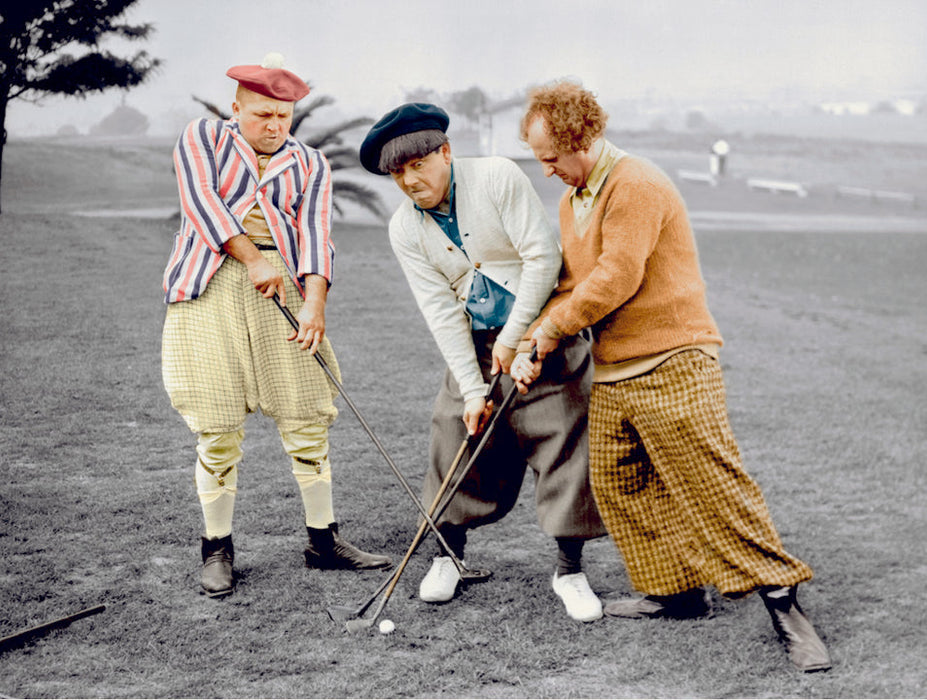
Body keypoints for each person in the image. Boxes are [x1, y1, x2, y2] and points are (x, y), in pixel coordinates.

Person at [515, 80, 831, 671]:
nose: (546, 169)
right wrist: (529, 336)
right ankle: (678, 594)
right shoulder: (572, 199)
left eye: (550, 157)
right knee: (621, 482)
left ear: (581, 137)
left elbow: (615, 278)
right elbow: (573, 284)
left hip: (675, 356)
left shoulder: (636, 185)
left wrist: (553, 329)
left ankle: (785, 605)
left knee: (711, 485)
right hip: (614, 368)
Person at [358, 103, 607, 622]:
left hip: (546, 334)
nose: (409, 180)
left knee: (564, 441)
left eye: (418, 165)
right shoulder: (405, 228)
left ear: (445, 152)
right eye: (397, 173)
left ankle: (569, 571)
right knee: (454, 432)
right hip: (475, 344)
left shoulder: (496, 177)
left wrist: (517, 339)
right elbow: (440, 311)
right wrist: (474, 391)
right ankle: (448, 557)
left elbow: (542, 257)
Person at [161, 53, 391, 598]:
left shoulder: (311, 163)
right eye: (263, 114)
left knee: (305, 411)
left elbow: (315, 234)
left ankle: (323, 540)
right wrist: (252, 259)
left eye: (283, 117)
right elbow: (202, 203)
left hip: (283, 287)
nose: (274, 126)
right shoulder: (202, 138)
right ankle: (217, 547)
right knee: (216, 423)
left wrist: (314, 303)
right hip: (208, 287)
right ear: (236, 108)